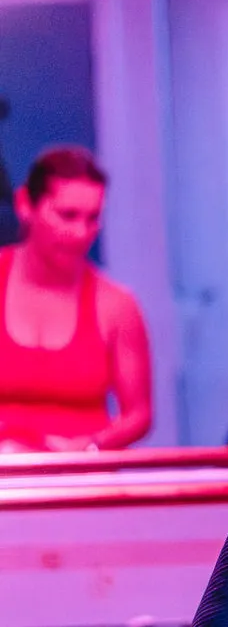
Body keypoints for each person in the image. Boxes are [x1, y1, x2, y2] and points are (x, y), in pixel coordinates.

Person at [0, 146, 152, 453]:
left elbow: (138, 415)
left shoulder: (115, 303)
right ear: (25, 205)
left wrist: (89, 446)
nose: (81, 232)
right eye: (67, 215)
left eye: (93, 218)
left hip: (85, 479)